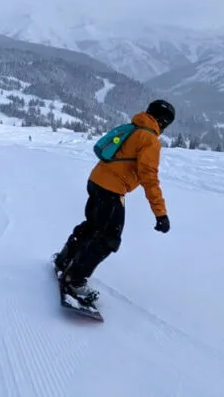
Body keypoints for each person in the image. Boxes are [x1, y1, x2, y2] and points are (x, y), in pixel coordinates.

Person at [53, 99, 175, 304]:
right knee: (109, 238)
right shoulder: (150, 139)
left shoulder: (134, 128)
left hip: (96, 181)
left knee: (93, 226)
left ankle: (65, 260)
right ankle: (74, 280)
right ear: (162, 121)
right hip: (111, 190)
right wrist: (160, 213)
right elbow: (149, 178)